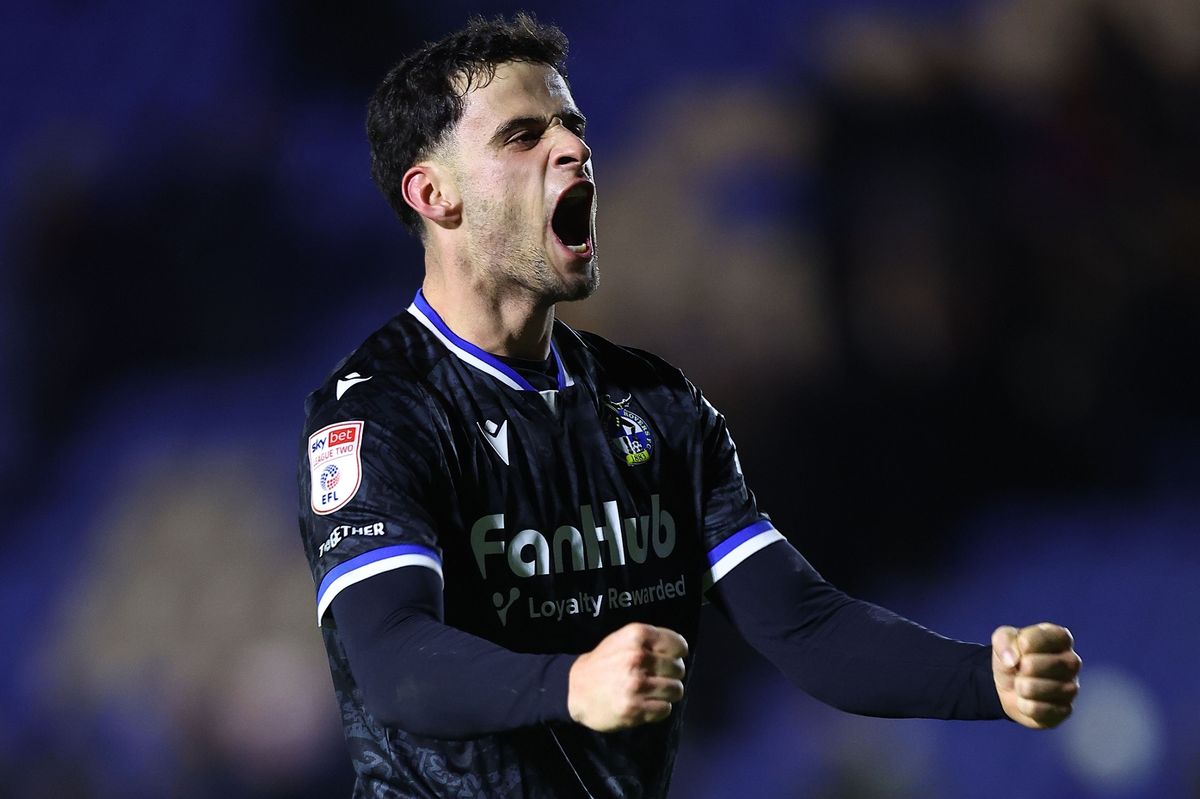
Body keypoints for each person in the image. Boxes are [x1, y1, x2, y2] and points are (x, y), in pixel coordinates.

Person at [297, 13, 1081, 799]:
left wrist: (986, 679)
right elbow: (394, 658)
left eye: (572, 126)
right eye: (522, 136)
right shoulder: (379, 409)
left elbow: (803, 625)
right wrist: (572, 683)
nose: (572, 149)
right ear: (434, 194)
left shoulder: (659, 402)